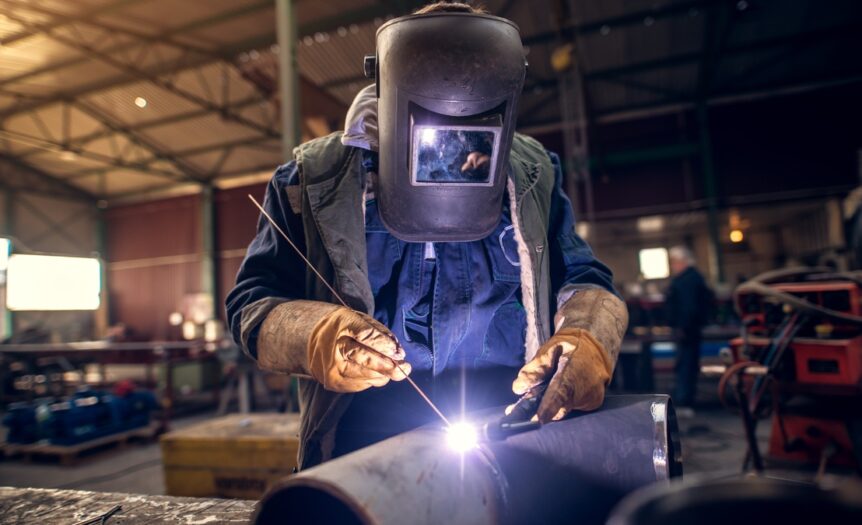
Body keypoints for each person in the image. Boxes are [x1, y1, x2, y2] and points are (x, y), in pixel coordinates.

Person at [225, 2, 628, 469]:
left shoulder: (534, 175)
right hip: (362, 448)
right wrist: (315, 336)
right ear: (391, 93)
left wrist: (587, 339)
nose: (455, 157)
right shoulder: (311, 180)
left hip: (509, 437)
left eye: (473, 139)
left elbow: (586, 279)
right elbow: (250, 306)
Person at [665, 246, 713, 413]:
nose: (673, 266)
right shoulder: (690, 278)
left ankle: (685, 402)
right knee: (686, 365)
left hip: (687, 331)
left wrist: (683, 328)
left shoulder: (688, 280)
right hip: (688, 329)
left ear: (682, 262)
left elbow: (689, 307)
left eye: (674, 262)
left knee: (686, 365)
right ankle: (685, 399)